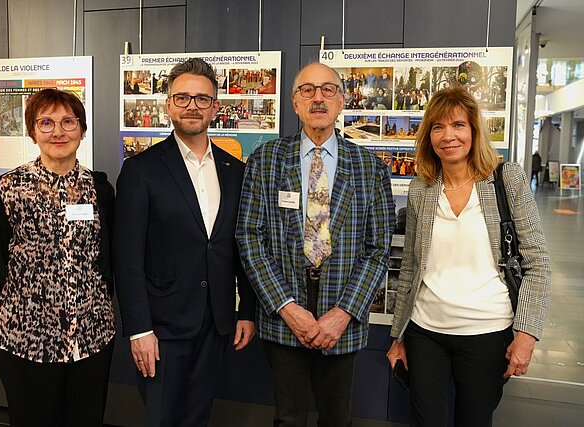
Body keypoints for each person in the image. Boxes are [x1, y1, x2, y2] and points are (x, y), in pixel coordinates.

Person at [236, 62, 395, 427]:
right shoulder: (266, 160)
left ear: (342, 100)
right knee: (288, 417)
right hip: (283, 317)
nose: (318, 98)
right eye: (308, 90)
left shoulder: (371, 167)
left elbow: (378, 248)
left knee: (337, 418)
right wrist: (288, 308)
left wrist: (342, 315)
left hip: (342, 318)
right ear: (295, 103)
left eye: (328, 90)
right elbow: (250, 237)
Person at [386, 87, 551, 426]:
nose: (448, 136)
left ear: (474, 131)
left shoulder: (506, 181)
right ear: (428, 135)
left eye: (458, 125)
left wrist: (526, 335)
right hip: (425, 331)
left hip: (488, 333)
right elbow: (411, 269)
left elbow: (538, 263)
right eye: (438, 127)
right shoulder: (421, 189)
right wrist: (398, 337)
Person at [114, 58, 256, 426]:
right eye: (182, 97)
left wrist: (246, 312)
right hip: (161, 329)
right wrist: (139, 330)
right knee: (162, 419)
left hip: (216, 324)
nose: (192, 105)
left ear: (216, 107)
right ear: (168, 105)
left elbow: (241, 246)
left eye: (202, 98)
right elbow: (127, 259)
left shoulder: (234, 170)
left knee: (198, 418)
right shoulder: (141, 170)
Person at [0, 88, 116, 427]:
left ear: (82, 130)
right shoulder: (7, 189)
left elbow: (108, 256)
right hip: (24, 338)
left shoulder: (99, 190)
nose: (58, 131)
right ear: (32, 131)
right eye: (47, 122)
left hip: (91, 336)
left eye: (69, 121)